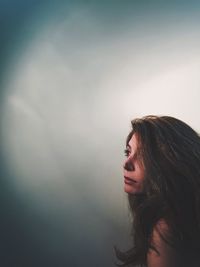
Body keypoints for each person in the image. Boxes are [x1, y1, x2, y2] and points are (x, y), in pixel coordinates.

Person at [116, 115, 200, 267]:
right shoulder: (184, 218)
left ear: (171, 160)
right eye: (127, 152)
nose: (126, 164)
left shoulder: (167, 228)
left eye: (142, 156)